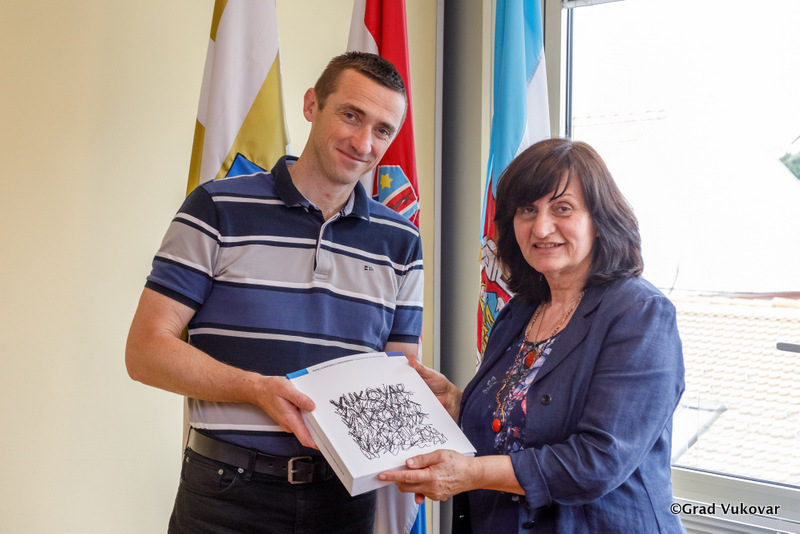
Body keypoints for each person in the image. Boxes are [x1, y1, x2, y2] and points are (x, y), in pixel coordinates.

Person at [125, 52, 423, 534]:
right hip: (225, 495)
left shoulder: (401, 241)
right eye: (351, 115)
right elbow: (144, 351)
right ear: (311, 105)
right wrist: (256, 389)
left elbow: (398, 374)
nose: (364, 142)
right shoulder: (217, 207)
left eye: (382, 130)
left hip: (343, 504)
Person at [380, 138, 685, 532]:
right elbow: (518, 422)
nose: (541, 227)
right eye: (527, 210)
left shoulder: (639, 313)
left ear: (599, 219)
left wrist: (472, 473)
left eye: (562, 208)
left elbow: (597, 461)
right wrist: (459, 404)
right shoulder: (518, 312)